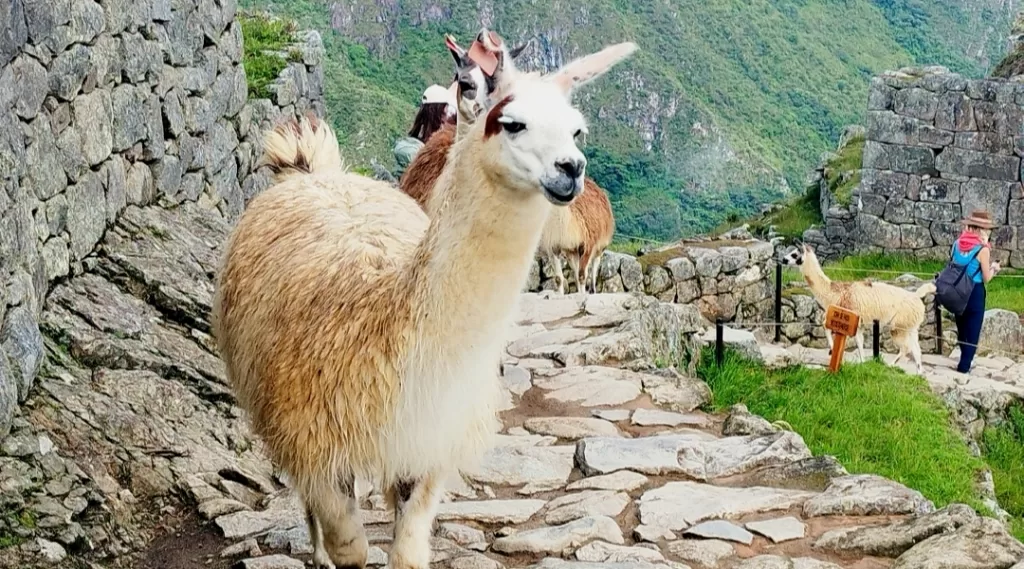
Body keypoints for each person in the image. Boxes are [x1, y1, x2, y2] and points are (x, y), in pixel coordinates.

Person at [952, 209, 1002, 373]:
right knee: (973, 329)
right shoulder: (983, 250)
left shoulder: (957, 244)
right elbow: (986, 277)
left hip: (957, 291)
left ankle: (964, 360)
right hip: (974, 292)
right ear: (981, 230)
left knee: (962, 327)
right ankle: (964, 366)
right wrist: (994, 268)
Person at [392, 84, 456, 178]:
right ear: (439, 110)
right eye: (446, 106)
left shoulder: (412, 145)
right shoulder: (414, 149)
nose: (447, 112)